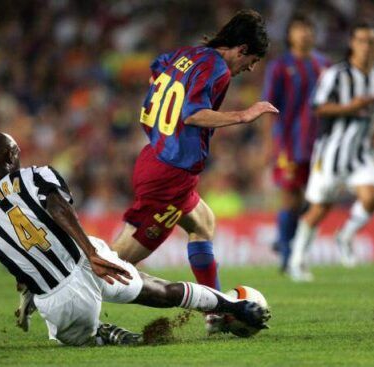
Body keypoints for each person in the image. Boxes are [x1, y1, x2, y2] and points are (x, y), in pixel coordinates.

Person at [0, 132, 270, 349]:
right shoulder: (36, 174)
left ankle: (98, 331)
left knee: (73, 335)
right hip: (90, 260)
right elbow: (56, 207)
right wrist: (90, 251)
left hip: (60, 300)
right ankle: (234, 306)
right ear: (13, 153)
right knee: (163, 290)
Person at [109, 9, 278, 333]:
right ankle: (55, 283)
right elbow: (192, 114)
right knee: (116, 263)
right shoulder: (219, 71)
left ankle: (214, 314)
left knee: (203, 222)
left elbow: (157, 65)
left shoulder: (188, 55)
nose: (251, 68)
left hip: (157, 158)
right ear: (241, 49)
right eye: (252, 60)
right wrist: (243, 115)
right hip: (169, 174)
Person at [287, 22, 374, 281]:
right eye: (361, 41)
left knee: (371, 200)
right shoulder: (336, 74)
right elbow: (318, 107)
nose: (366, 46)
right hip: (331, 153)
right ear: (352, 43)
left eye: (371, 41)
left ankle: (344, 236)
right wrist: (350, 107)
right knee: (319, 209)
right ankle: (297, 260)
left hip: (360, 152)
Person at [261, 15, 330, 272]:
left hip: (320, 144)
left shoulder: (325, 65)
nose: (305, 34)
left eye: (309, 29)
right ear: (290, 35)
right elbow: (268, 106)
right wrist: (269, 143)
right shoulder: (280, 67)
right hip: (289, 142)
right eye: (300, 29)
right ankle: (288, 255)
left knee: (313, 200)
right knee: (290, 197)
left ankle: (284, 239)